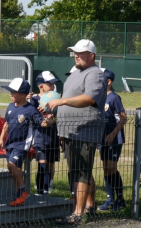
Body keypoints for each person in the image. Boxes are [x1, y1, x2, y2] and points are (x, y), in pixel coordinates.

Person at [47, 39, 107, 225]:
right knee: (80, 171)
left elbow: (89, 98)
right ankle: (89, 206)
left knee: (81, 172)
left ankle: (77, 214)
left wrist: (62, 102)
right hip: (69, 131)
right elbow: (68, 99)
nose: (76, 55)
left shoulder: (95, 74)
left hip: (84, 130)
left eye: (80, 53)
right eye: (75, 52)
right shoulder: (75, 73)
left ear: (91, 55)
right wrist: (53, 109)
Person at [0, 78, 53, 207]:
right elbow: (6, 123)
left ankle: (23, 191)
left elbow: (42, 123)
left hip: (22, 144)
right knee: (15, 170)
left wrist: (49, 120)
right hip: (10, 143)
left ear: (23, 95)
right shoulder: (11, 106)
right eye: (10, 92)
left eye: (13, 92)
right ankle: (19, 195)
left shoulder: (30, 109)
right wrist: (2, 137)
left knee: (11, 165)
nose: (10, 94)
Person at [98, 69, 127, 211]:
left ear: (108, 82)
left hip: (114, 139)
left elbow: (123, 118)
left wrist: (112, 134)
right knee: (105, 169)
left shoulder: (114, 98)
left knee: (111, 167)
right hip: (102, 139)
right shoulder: (100, 97)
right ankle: (110, 198)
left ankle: (120, 198)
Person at [30, 71, 60, 195]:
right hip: (40, 137)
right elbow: (32, 116)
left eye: (54, 84)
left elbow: (61, 115)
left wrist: (53, 116)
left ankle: (47, 188)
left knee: (50, 165)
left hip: (53, 137)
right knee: (42, 163)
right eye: (50, 84)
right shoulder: (33, 100)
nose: (53, 86)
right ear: (41, 86)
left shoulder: (57, 99)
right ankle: (40, 191)